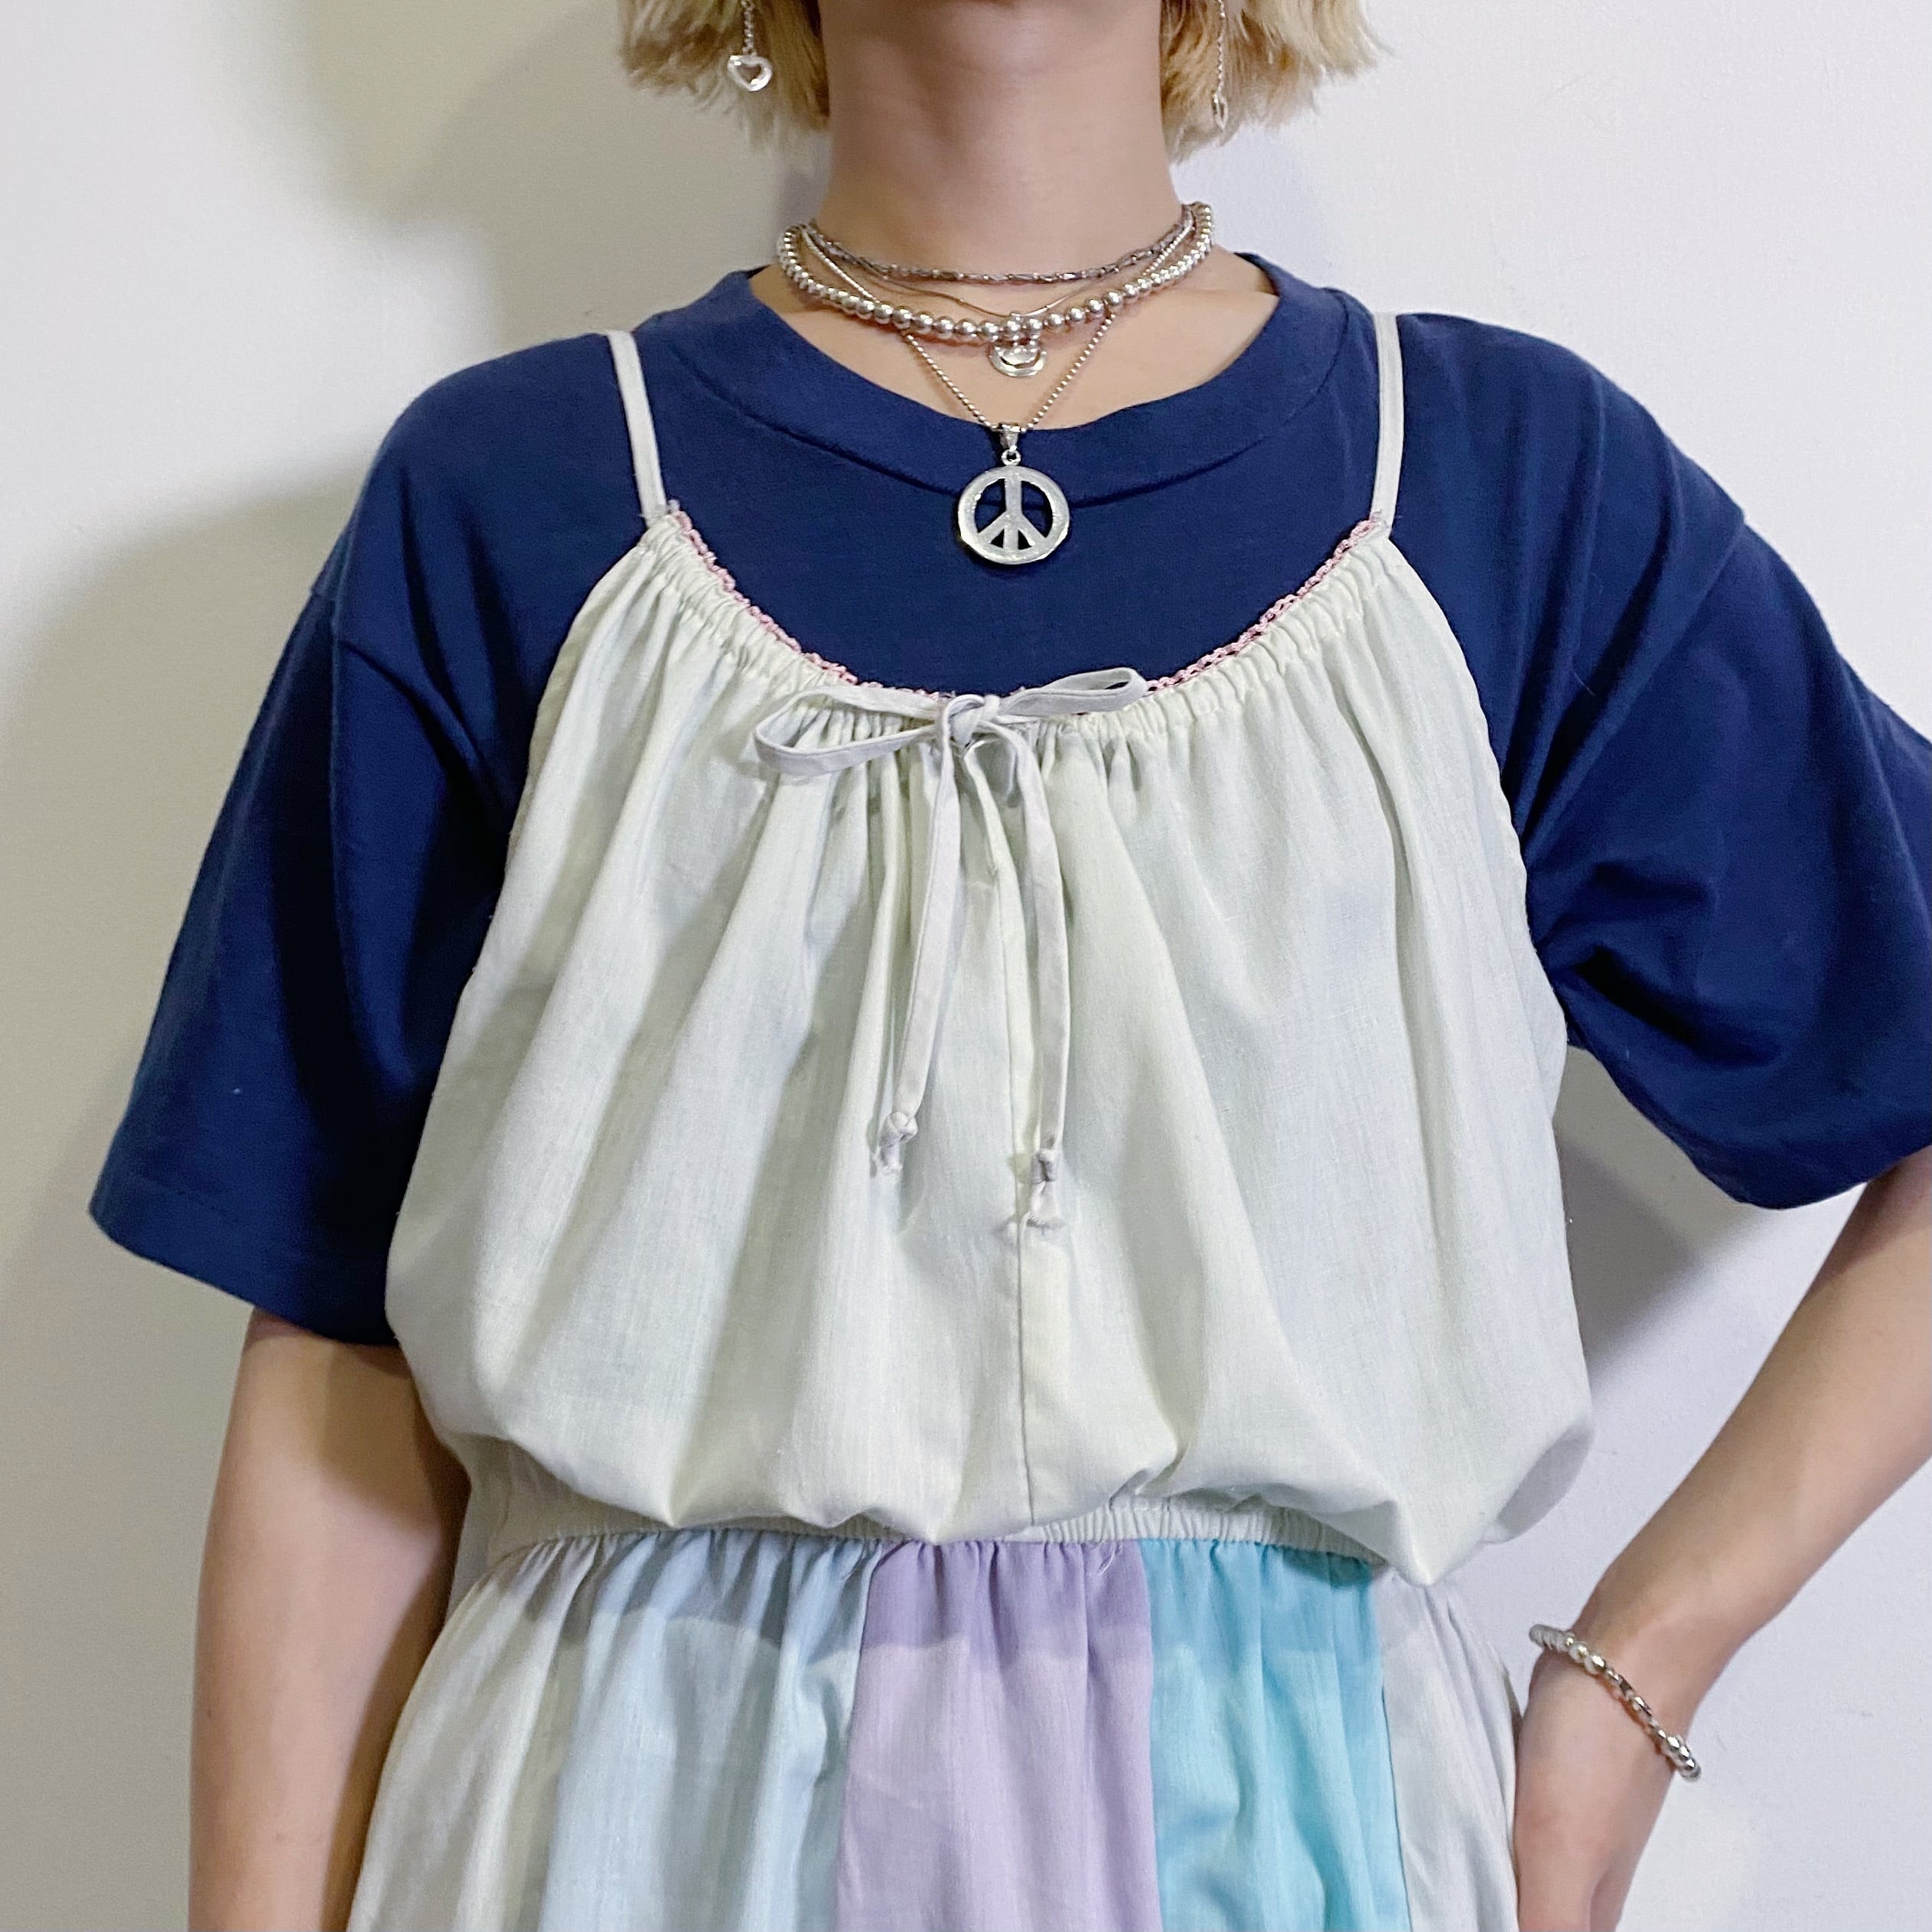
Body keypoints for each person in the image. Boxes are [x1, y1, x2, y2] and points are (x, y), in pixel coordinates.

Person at [90, 2, 1930, 1929]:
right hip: (613, 1842)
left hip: (1294, 1846)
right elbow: (338, 1351)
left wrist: (1635, 1685)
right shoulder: (513, 496)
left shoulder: (1503, 488)